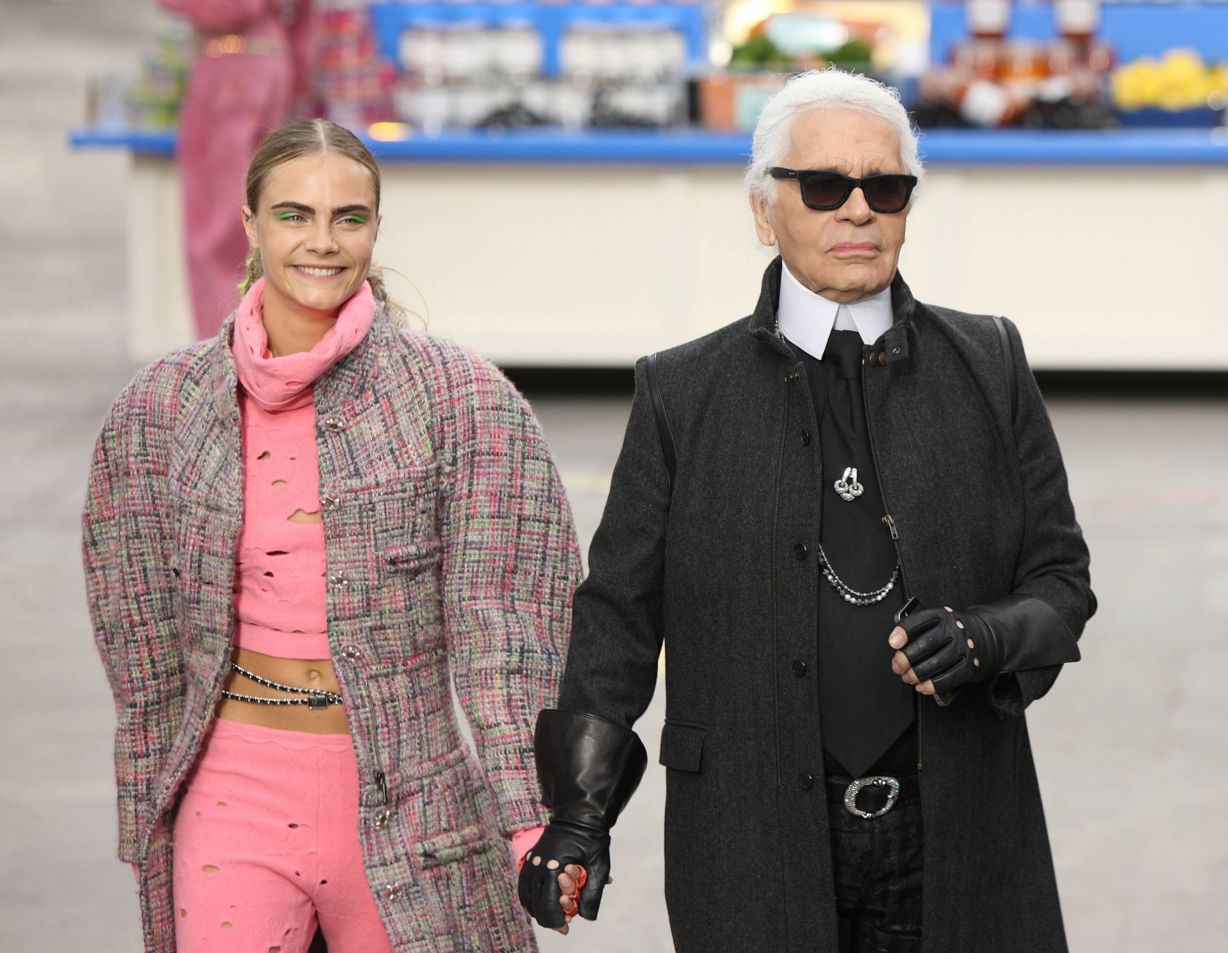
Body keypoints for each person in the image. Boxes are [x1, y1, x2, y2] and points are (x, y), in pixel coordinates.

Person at [518, 69, 1096, 953]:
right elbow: (618, 618)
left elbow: (1061, 581)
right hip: (751, 844)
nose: (858, 210)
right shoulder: (680, 391)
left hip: (961, 831)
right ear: (763, 210)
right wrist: (578, 816)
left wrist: (985, 636)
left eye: (886, 187)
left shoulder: (989, 361)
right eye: (825, 186)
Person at [82, 118, 579, 953]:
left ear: (377, 227)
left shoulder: (462, 398)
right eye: (293, 214)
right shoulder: (160, 408)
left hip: (416, 798)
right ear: (248, 223)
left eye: (349, 217)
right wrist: (146, 807)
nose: (323, 241)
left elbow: (511, 629)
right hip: (230, 790)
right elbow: (140, 638)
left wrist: (534, 818)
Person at [160, 0, 315, 339]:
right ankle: (260, 347)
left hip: (227, 60)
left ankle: (224, 361)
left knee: (220, 234)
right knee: (258, 221)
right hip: (272, 57)